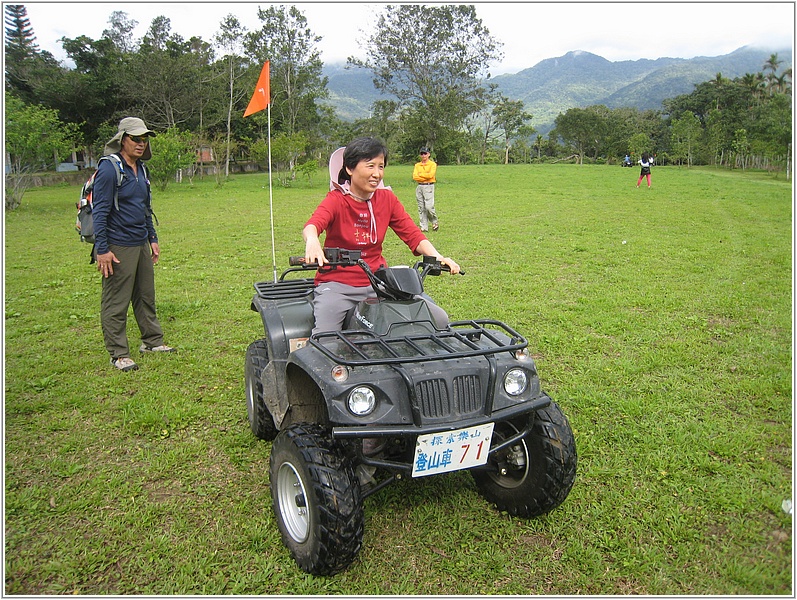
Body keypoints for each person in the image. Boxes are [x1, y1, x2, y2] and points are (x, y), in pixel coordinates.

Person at [303, 136, 460, 335]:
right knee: (326, 337)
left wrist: (437, 256)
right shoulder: (336, 200)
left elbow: (412, 233)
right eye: (370, 166)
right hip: (338, 285)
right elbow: (312, 225)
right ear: (350, 169)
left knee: (438, 319)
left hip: (380, 283)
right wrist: (313, 241)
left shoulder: (387, 198)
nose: (377, 174)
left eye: (381, 166)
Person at [93, 117, 174, 372]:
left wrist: (152, 238)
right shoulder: (109, 169)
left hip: (140, 241)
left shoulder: (141, 169)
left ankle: (151, 341)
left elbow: (145, 208)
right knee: (116, 299)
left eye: (144, 139)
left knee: (145, 295)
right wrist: (102, 249)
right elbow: (100, 211)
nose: (141, 144)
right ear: (122, 140)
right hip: (118, 244)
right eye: (135, 139)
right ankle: (118, 353)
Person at [412, 146, 439, 232]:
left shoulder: (432, 164)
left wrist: (421, 175)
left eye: (425, 153)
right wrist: (424, 175)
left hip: (429, 186)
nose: (423, 155)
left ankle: (434, 221)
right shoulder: (417, 165)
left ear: (429, 154)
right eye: (422, 154)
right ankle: (424, 226)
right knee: (421, 207)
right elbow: (415, 176)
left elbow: (430, 175)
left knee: (429, 206)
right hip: (419, 186)